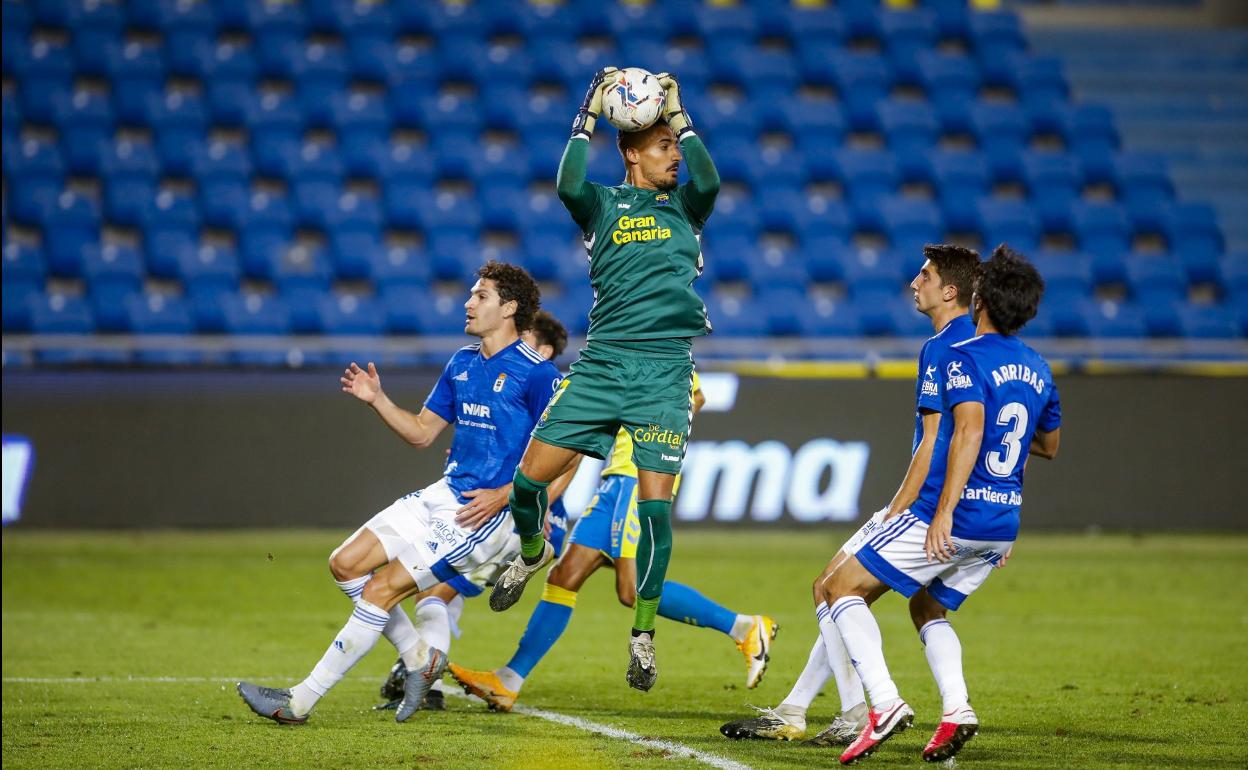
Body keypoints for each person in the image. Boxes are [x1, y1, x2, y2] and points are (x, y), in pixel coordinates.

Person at [236, 262, 562, 725]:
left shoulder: (539, 375)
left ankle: (299, 701)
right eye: (471, 294)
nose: (468, 303)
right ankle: (418, 657)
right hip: (444, 492)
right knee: (345, 563)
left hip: (481, 514)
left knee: (383, 589)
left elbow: (566, 452)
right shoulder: (462, 362)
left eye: (481, 296)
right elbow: (422, 433)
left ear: (509, 308)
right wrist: (378, 400)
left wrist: (510, 494)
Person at [489, 67, 720, 692]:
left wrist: (679, 111)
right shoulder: (602, 206)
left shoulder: (687, 207)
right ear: (631, 152)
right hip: (603, 365)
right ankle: (533, 552)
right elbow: (567, 179)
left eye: (675, 145)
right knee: (527, 483)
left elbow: (711, 177)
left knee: (655, 515)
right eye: (664, 146)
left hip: (664, 372)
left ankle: (643, 634)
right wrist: (586, 111)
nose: (675, 155)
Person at [720, 244, 982, 747]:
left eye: (924, 275)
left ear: (950, 291)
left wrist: (899, 509)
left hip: (928, 505)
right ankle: (799, 709)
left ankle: (856, 710)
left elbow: (932, 442)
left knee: (833, 588)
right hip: (971, 509)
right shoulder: (980, 345)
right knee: (841, 591)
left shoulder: (943, 347)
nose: (913, 282)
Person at [823, 246, 1061, 765]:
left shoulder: (965, 356)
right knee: (927, 606)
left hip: (954, 513)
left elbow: (968, 431)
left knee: (838, 588)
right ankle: (957, 711)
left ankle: (882, 704)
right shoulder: (1039, 368)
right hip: (1002, 521)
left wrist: (946, 512)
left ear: (981, 298)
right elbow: (1046, 445)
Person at [448, 340, 778, 711]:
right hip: (614, 482)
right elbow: (695, 397)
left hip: (634, 477)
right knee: (563, 577)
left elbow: (692, 397)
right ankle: (508, 680)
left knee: (631, 589)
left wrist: (653, 436)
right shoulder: (624, 347)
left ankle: (745, 628)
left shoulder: (657, 351)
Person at [374, 310, 576, 711]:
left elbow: (569, 464)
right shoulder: (494, 377)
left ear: (546, 349)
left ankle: (421, 673)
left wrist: (532, 516)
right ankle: (417, 667)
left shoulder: (547, 385)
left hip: (527, 520)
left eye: (527, 338)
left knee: (434, 588)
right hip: (490, 510)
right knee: (436, 590)